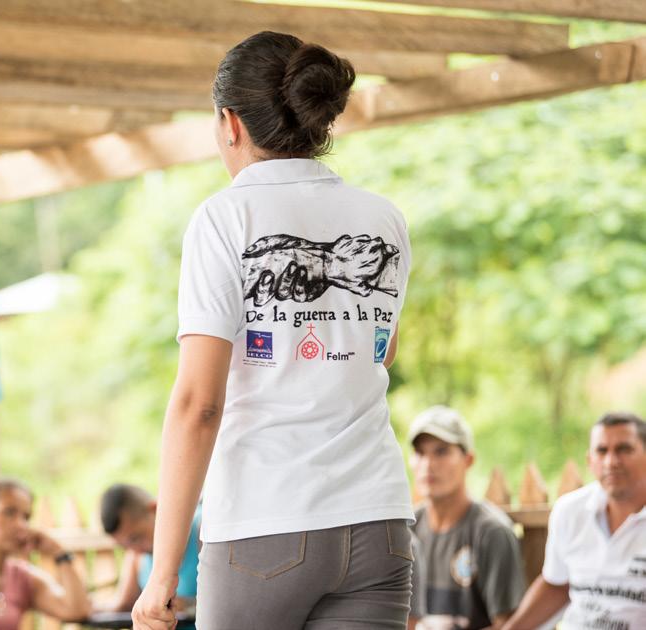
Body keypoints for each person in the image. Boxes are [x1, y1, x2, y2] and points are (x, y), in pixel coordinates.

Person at [132, 31, 415, 630]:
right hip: (380, 522)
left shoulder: (225, 217)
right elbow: (376, 359)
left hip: (267, 523)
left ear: (229, 123)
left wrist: (162, 575)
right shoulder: (384, 219)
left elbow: (198, 404)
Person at [503, 412, 646, 630]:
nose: (611, 461)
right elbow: (556, 585)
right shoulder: (570, 511)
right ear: (590, 460)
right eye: (602, 450)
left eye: (624, 449)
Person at [408, 406, 526, 629]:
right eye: (420, 453)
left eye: (441, 451)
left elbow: (510, 625)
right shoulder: (405, 531)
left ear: (468, 459)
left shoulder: (492, 532)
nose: (428, 464)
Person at [0, 478, 91, 629]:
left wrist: (59, 553)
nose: (21, 525)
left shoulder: (22, 578)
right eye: (9, 512)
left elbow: (77, 610)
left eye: (26, 517)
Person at [98, 484, 202, 615]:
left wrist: (187, 605)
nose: (135, 550)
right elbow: (123, 604)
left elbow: (228, 600)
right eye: (125, 547)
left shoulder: (201, 530)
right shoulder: (136, 553)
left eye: (136, 538)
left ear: (154, 510)